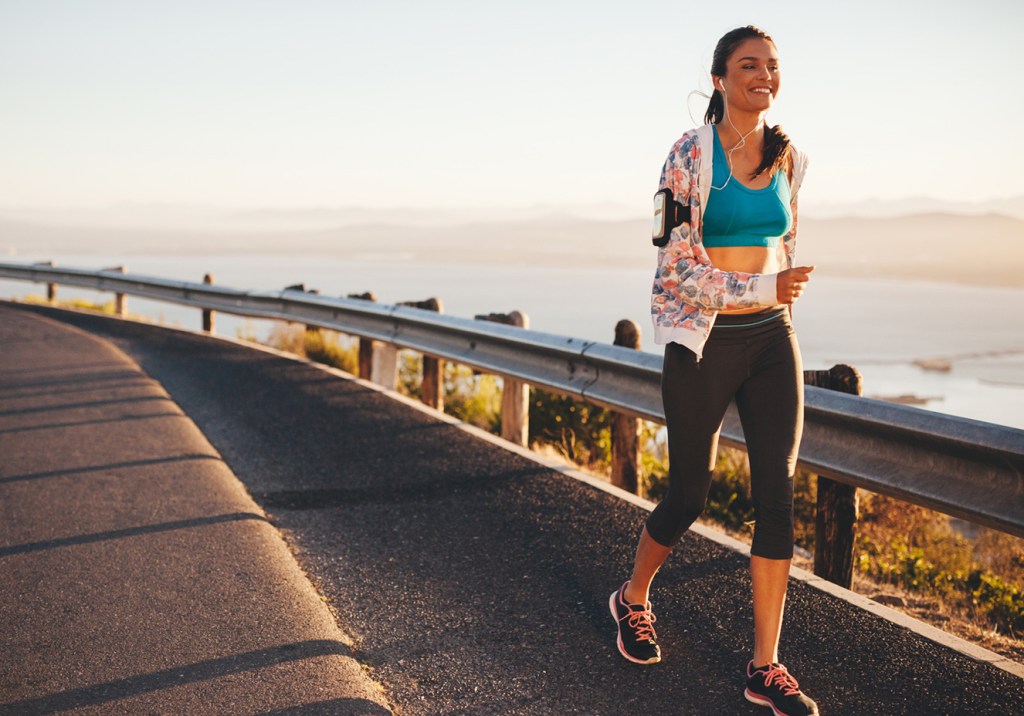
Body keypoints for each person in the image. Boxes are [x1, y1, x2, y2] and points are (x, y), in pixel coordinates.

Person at [609, 25, 819, 716]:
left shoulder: (791, 159)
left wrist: (773, 295)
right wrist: (762, 288)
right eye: (748, 65)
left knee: (777, 498)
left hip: (772, 339)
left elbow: (781, 248)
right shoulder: (687, 155)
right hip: (702, 343)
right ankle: (632, 598)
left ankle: (766, 666)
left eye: (772, 66)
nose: (764, 76)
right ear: (720, 78)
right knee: (689, 495)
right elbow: (676, 268)